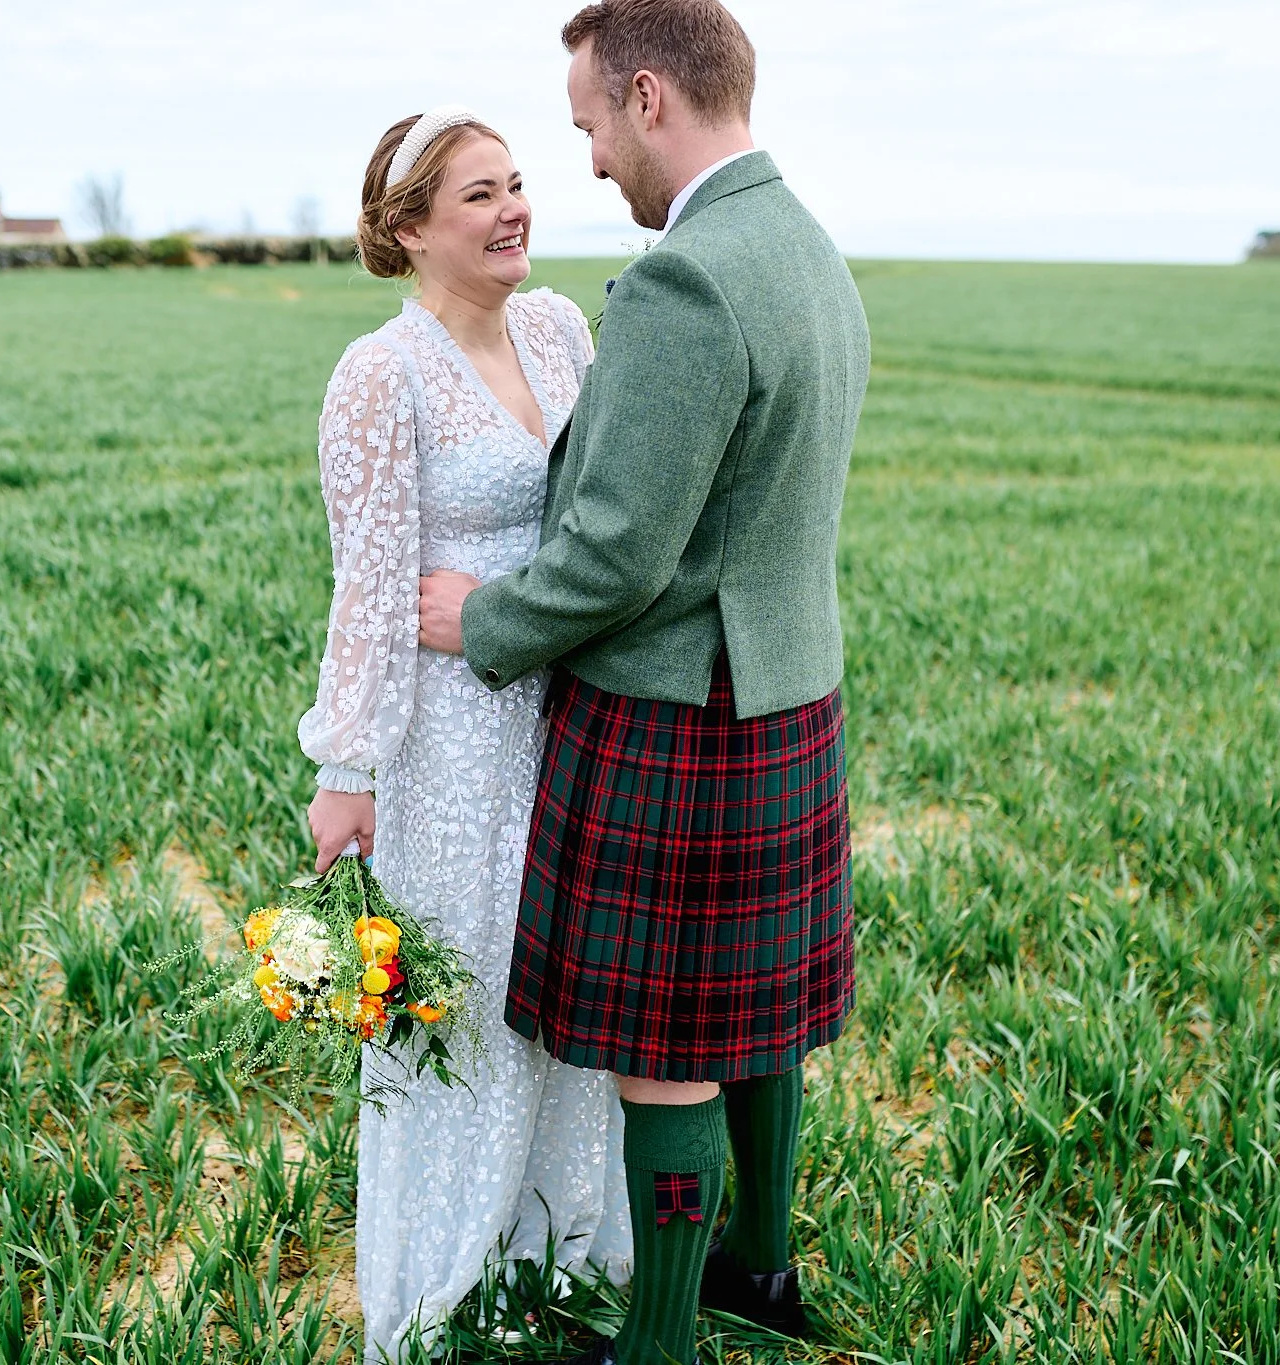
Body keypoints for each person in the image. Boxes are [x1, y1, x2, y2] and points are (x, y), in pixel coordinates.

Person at [416, 1, 872, 1361]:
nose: (595, 161)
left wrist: (483, 619)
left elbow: (617, 555)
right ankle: (761, 1269)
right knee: (757, 1014)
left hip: (681, 706)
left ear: (652, 97)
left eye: (591, 126)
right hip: (786, 685)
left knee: (668, 1040)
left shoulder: (689, 277)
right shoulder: (804, 244)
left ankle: (661, 1344)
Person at [297, 107, 631, 1363]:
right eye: (480, 196)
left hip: (565, 711)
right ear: (408, 230)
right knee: (456, 1012)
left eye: (518, 185)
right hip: (448, 745)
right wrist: (345, 770)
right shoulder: (377, 374)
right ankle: (443, 1303)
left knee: (563, 1003)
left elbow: (602, 519)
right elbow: (367, 588)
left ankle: (557, 1278)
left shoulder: (558, 327)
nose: (514, 211)